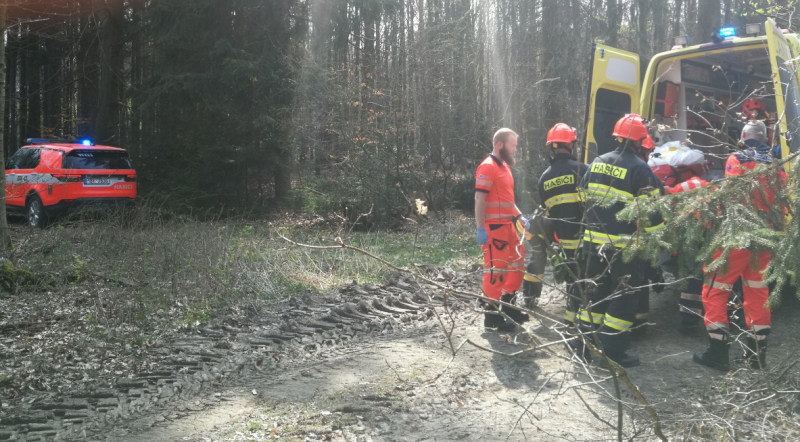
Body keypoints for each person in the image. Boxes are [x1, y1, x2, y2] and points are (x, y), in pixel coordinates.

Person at [693, 120, 787, 371]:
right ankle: (756, 357)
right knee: (758, 294)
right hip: (764, 240)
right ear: (766, 139)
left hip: (736, 238)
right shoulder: (777, 166)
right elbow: (781, 206)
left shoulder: (737, 159)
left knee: (715, 290)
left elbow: (731, 199)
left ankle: (717, 353)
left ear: (743, 138)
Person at [573, 114, 664, 368]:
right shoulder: (640, 169)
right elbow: (651, 214)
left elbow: (582, 197)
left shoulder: (598, 162)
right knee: (624, 298)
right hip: (624, 250)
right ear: (640, 141)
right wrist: (660, 239)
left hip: (593, 246)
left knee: (594, 295)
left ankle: (583, 345)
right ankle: (612, 351)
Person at [523, 123, 588, 326]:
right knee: (580, 276)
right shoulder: (582, 170)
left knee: (543, 259)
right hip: (583, 235)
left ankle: (529, 297)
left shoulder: (544, 178)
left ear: (552, 146)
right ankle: (574, 320)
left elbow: (548, 212)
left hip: (560, 235)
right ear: (571, 145)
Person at [475, 128, 529, 331]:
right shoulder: (488, 167)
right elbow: (479, 198)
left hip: (508, 226)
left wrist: (519, 216)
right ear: (500, 145)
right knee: (495, 272)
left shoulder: (505, 167)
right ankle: (491, 317)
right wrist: (481, 228)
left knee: (517, 264)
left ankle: (509, 306)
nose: (515, 149)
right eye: (512, 145)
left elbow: (507, 200)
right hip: (494, 229)